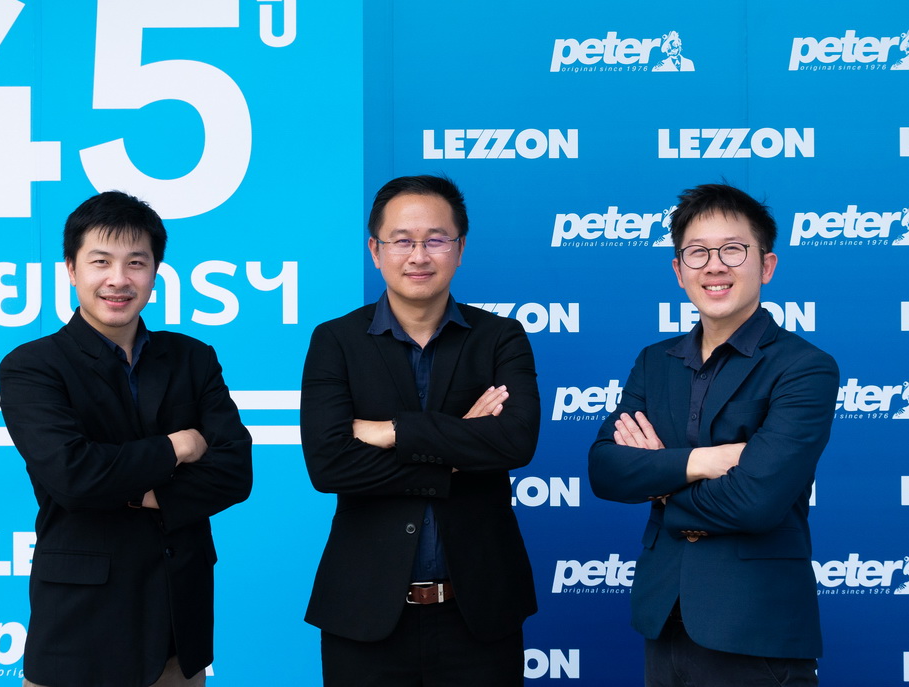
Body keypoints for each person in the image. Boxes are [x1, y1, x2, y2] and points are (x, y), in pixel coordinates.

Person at [0, 191, 253, 687]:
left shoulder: (193, 358)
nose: (119, 279)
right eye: (101, 262)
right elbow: (74, 477)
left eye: (136, 262)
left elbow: (235, 472)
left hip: (177, 634)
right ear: (71, 269)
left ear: (155, 272)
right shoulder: (32, 366)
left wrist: (139, 492)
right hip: (80, 633)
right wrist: (176, 447)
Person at [589, 183, 838, 687]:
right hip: (664, 619)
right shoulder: (654, 361)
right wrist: (703, 462)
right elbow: (606, 470)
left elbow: (756, 502)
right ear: (679, 271)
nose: (714, 266)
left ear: (766, 266)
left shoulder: (804, 368)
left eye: (732, 250)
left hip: (756, 627)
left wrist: (660, 485)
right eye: (697, 253)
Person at [300, 175, 540, 686]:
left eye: (435, 240)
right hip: (365, 614)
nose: (418, 256)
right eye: (402, 241)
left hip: (480, 613)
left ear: (460, 249)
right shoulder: (335, 341)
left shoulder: (500, 337)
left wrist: (394, 431)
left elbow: (516, 441)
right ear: (375, 250)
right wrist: (456, 449)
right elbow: (329, 465)